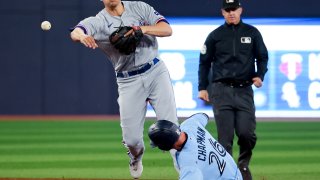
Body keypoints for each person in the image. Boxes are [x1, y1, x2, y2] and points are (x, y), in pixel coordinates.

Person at [70, 0, 178, 179]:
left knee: (172, 129)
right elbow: (76, 31)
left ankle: (185, 169)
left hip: (155, 71)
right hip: (128, 81)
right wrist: (81, 36)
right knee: (132, 141)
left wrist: (142, 29)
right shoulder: (99, 21)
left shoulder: (139, 7)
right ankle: (136, 157)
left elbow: (167, 29)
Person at [197, 0, 269, 179]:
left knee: (246, 133)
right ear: (222, 12)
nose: (231, 13)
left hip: (244, 90)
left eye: (234, 9)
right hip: (221, 91)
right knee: (225, 138)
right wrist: (202, 87)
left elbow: (262, 57)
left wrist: (260, 75)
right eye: (227, 10)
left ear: (240, 10)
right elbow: (204, 63)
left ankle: (243, 164)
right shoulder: (215, 36)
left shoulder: (252, 33)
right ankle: (228, 174)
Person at [148, 113, 243, 180]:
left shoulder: (188, 162)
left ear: (165, 145)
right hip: (234, 172)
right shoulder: (190, 125)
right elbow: (203, 116)